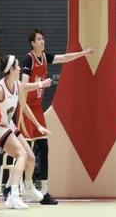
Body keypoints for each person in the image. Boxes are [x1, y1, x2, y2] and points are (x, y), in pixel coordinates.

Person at [18, 28, 93, 205]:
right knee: (23, 151)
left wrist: (83, 53)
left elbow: (64, 57)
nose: (42, 41)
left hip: (37, 108)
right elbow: (23, 86)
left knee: (44, 148)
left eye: (43, 38)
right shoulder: (28, 59)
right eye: (39, 39)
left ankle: (44, 192)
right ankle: (16, 188)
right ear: (32, 43)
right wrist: (41, 84)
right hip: (24, 108)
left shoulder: (45, 58)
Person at [0, 55, 51, 209]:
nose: (20, 68)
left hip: (8, 124)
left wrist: (38, 126)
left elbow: (24, 102)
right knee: (21, 155)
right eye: (17, 65)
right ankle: (13, 195)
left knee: (30, 158)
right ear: (10, 69)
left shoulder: (17, 84)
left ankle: (28, 187)